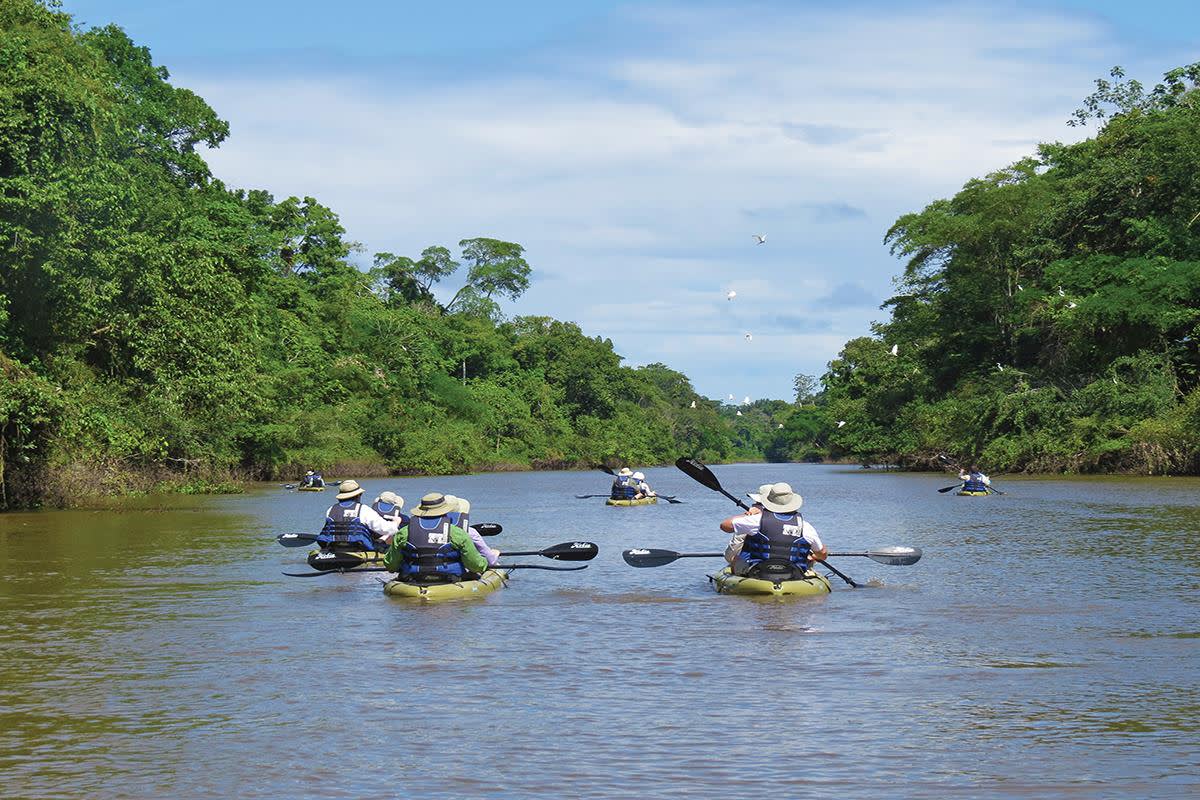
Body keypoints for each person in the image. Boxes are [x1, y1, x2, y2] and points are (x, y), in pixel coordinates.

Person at [720, 482, 827, 578]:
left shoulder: (756, 521)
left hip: (758, 571)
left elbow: (724, 526)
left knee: (736, 560)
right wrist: (812, 556)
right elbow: (823, 554)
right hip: (793, 573)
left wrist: (747, 516)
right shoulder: (805, 526)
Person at [384, 492, 489, 581]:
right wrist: (484, 562)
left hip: (413, 578)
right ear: (445, 511)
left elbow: (391, 565)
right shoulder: (457, 533)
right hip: (449, 579)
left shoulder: (403, 532)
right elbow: (474, 565)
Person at [316, 480, 399, 553]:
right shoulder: (364, 509)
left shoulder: (331, 510)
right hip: (359, 548)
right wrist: (395, 523)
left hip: (335, 547)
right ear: (358, 495)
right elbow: (387, 530)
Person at [443, 495, 501, 567]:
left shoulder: (426, 531)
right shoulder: (470, 532)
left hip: (432, 567)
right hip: (460, 571)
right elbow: (490, 560)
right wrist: (495, 554)